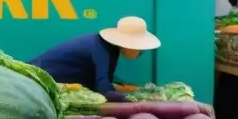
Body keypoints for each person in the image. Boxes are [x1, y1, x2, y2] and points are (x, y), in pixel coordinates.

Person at [28, 16, 161, 99]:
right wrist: (139, 99)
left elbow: (104, 82)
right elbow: (104, 90)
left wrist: (132, 90)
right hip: (34, 79)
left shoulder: (108, 49)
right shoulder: (102, 51)